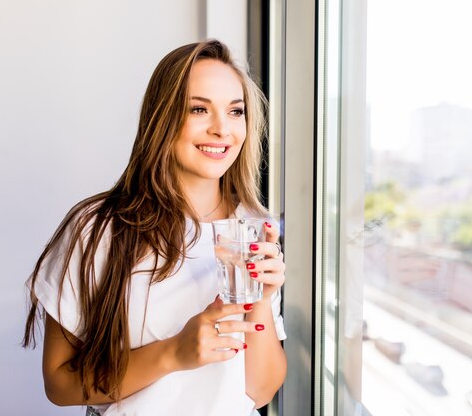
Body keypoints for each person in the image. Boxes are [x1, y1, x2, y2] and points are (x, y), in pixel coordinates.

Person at [23, 39, 287, 416]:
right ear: (162, 118)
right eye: (199, 109)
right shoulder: (98, 229)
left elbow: (260, 392)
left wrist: (260, 301)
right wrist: (173, 353)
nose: (222, 129)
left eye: (235, 111)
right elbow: (60, 383)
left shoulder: (254, 228)